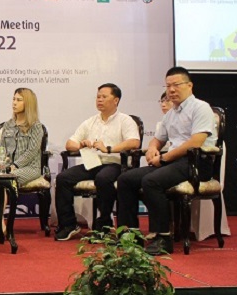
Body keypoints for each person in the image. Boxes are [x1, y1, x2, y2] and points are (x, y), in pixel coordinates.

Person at [117, 66, 217, 255]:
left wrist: (163, 158)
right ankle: (130, 235)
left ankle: (163, 238)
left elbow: (195, 142)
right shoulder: (171, 113)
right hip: (174, 162)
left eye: (176, 85)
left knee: (151, 181)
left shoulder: (201, 108)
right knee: (126, 179)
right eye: (168, 86)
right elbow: (158, 139)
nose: (171, 90)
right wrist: (153, 148)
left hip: (196, 162)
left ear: (189, 85)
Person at [54, 83, 141, 241]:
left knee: (103, 178)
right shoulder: (90, 122)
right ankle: (68, 224)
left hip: (115, 163)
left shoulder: (125, 120)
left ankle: (104, 223)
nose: (99, 100)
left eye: (104, 97)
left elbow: (134, 142)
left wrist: (109, 149)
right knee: (63, 178)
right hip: (93, 163)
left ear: (116, 100)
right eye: (98, 97)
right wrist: (81, 144)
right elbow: (70, 143)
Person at [0, 88, 44, 242]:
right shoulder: (8, 125)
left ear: (28, 103)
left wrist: (15, 166)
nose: (14, 103)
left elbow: (31, 152)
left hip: (29, 168)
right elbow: (2, 150)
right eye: (13, 99)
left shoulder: (36, 126)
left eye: (19, 100)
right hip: (9, 167)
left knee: (3, 180)